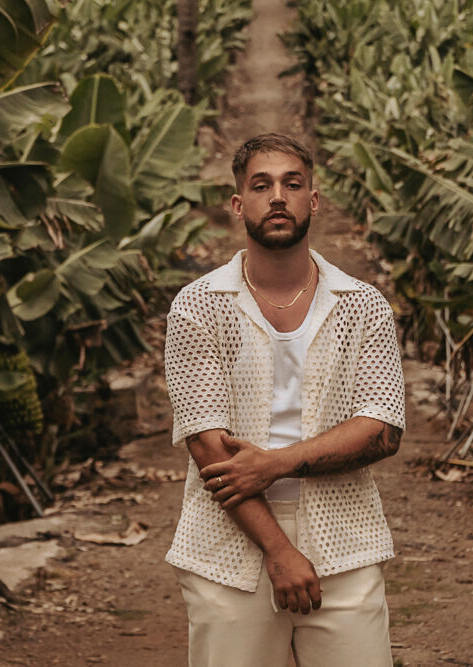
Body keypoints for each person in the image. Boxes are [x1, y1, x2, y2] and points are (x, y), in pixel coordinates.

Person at [163, 133, 406, 667]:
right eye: (262, 185)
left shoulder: (362, 307)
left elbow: (383, 429)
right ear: (238, 204)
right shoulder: (199, 307)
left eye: (293, 184)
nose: (278, 196)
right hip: (227, 543)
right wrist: (278, 549)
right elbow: (208, 446)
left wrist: (274, 464)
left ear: (312, 201)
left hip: (345, 538)